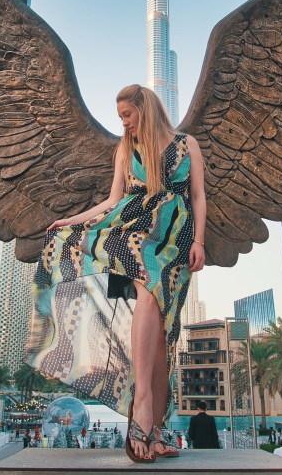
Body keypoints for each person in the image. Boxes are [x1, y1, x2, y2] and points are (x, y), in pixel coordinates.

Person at [27, 85, 206, 463]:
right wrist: (71, 221)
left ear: (145, 109)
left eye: (127, 114)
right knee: (145, 290)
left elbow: (198, 195)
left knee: (162, 334)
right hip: (136, 230)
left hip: (175, 235)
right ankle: (141, 405)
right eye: (120, 116)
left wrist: (200, 242)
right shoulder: (126, 149)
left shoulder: (187, 144)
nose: (122, 122)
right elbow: (112, 200)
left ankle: (154, 431)